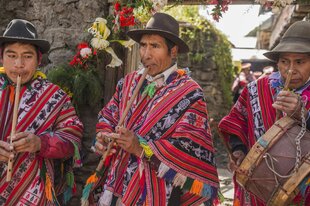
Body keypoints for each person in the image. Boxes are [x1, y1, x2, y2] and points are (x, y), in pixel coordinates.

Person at [92, 13, 219, 205]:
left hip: (159, 193)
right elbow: (109, 117)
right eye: (143, 45)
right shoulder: (128, 82)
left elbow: (189, 148)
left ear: (173, 51)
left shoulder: (190, 93)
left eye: (155, 46)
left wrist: (140, 147)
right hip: (117, 184)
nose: (146, 54)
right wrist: (104, 136)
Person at [218, 21, 310, 205]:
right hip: (256, 189)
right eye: (284, 61)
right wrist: (239, 150)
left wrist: (303, 115)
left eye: (300, 61)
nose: (290, 69)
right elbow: (237, 120)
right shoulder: (256, 89)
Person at [0, 19, 83, 205]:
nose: (19, 64)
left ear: (38, 60)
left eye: (27, 56)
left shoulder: (54, 96)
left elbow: (73, 140)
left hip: (34, 192)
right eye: (11, 55)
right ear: (1, 57)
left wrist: (41, 143)